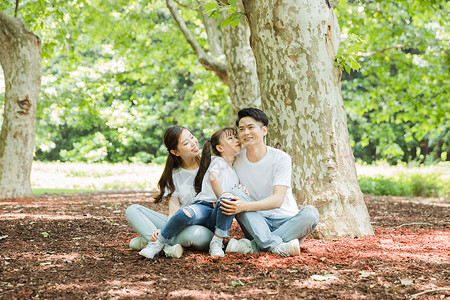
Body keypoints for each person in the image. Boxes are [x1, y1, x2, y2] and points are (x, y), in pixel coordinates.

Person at [220, 107, 320, 257]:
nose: (245, 132)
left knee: (311, 213)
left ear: (264, 131)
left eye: (251, 127)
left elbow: (277, 200)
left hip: (287, 221)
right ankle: (278, 246)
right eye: (241, 129)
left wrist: (243, 206)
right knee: (234, 194)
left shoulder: (281, 158)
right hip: (255, 222)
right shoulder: (236, 160)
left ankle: (254, 246)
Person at [139, 127, 244, 259]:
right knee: (184, 213)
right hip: (203, 205)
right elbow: (213, 178)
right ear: (220, 148)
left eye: (192, 136)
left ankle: (217, 242)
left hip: (216, 215)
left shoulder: (234, 171)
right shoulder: (216, 161)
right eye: (231, 138)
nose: (194, 142)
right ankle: (158, 243)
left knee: (229, 202)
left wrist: (238, 192)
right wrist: (222, 197)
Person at [125, 126, 213, 258]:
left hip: (203, 228)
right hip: (178, 224)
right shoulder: (174, 175)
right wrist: (167, 229)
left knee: (195, 235)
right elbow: (173, 211)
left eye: (192, 137)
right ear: (175, 152)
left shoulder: (211, 164)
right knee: (132, 210)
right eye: (186, 143)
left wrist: (165, 233)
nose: (194, 142)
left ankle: (152, 241)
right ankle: (164, 245)